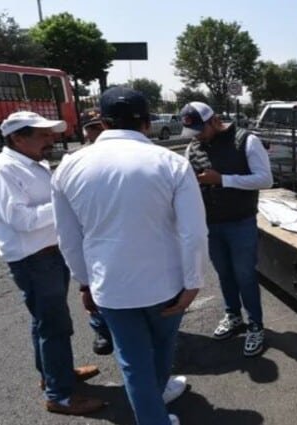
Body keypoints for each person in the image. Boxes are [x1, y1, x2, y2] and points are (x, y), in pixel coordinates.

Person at [52, 87, 208, 425]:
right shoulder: (171, 163)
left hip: (110, 286)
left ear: (104, 123)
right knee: (163, 348)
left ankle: (152, 407)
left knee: (133, 362)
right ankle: (156, 403)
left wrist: (85, 283)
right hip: (165, 283)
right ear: (148, 123)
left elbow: (68, 238)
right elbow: (193, 232)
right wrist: (194, 281)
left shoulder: (69, 166)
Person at [0, 111, 105, 416]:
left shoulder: (33, 163)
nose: (51, 139)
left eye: (51, 134)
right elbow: (20, 220)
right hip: (34, 260)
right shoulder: (3, 170)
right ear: (17, 138)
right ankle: (59, 395)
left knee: (45, 323)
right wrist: (65, 203)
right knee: (55, 326)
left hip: (49, 254)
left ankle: (53, 374)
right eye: (43, 135)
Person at [180, 101, 274, 357]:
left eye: (201, 129)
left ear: (214, 120)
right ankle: (233, 315)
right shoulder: (194, 146)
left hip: (240, 221)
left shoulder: (246, 141)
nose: (197, 135)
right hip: (211, 223)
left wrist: (222, 179)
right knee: (224, 273)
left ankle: (255, 324)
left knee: (245, 275)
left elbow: (265, 179)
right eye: (193, 131)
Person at [75, 107, 113, 356]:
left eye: (98, 127)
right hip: (91, 235)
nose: (94, 133)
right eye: (90, 128)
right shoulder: (77, 162)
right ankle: (101, 329)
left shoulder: (124, 155)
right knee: (92, 289)